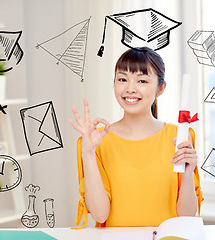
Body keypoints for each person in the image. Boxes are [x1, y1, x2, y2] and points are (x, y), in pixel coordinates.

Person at [68, 47, 203, 228]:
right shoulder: (97, 141)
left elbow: (186, 215)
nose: (130, 89)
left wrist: (187, 175)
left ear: (160, 88)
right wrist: (88, 153)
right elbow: (100, 215)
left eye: (142, 81)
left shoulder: (179, 137)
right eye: (122, 79)